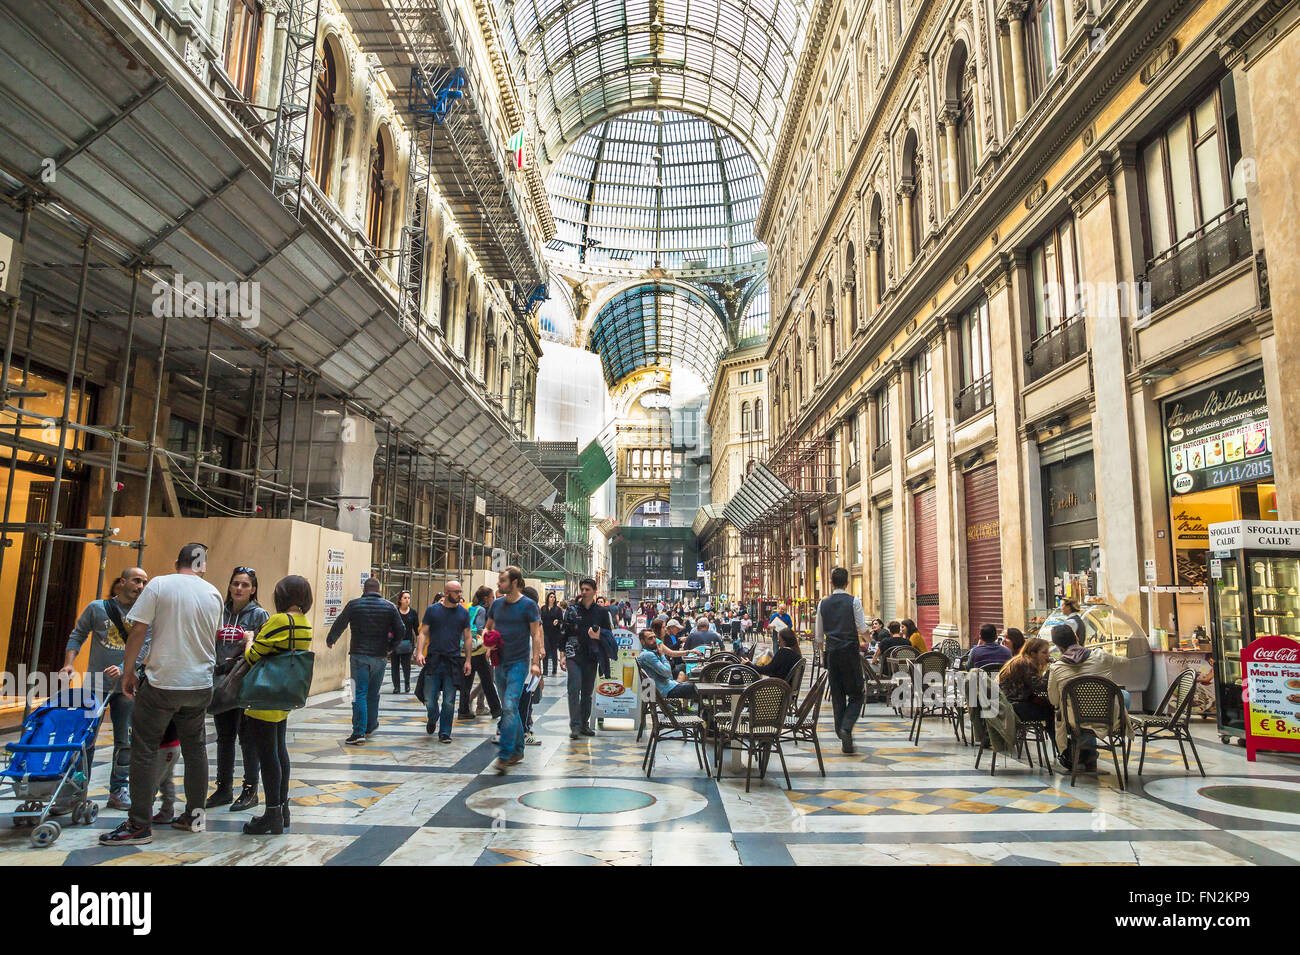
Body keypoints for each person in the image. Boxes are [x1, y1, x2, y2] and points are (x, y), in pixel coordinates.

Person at [100, 543, 223, 846]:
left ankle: (139, 825)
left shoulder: (159, 585)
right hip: (199, 686)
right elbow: (213, 637)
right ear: (202, 565)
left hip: (163, 684)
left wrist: (128, 673)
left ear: (176, 561)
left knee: (143, 749)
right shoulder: (213, 593)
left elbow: (139, 632)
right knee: (195, 750)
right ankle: (194, 817)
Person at [61, 566, 150, 813]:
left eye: (144, 582)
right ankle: (77, 791)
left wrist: (124, 667)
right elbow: (77, 635)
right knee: (85, 738)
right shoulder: (97, 608)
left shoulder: (146, 615)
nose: (141, 586)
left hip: (127, 687)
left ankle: (118, 789)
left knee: (125, 739)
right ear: (122, 582)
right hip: (95, 686)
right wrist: (69, 663)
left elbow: (145, 647)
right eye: (136, 581)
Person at [241, 574, 314, 836]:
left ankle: (271, 814)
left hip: (265, 695)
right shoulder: (304, 622)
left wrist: (249, 639)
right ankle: (282, 811)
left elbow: (253, 656)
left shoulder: (279, 620)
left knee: (267, 755)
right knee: (280, 751)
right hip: (283, 695)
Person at [208, 566, 269, 812]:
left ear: (253, 590)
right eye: (235, 584)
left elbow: (262, 652)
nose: (239, 588)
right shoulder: (219, 612)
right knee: (224, 737)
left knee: (247, 738)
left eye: (244, 585)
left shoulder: (259, 615)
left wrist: (249, 641)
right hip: (220, 682)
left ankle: (250, 789)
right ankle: (223, 788)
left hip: (245, 683)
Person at [326, 576, 408, 745]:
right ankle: (371, 724)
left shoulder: (354, 605)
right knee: (373, 693)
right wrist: (391, 647)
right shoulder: (389, 607)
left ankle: (358, 732)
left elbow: (340, 623)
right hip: (380, 655)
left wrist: (331, 639)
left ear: (364, 590)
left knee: (359, 693)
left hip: (359, 655)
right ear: (379, 591)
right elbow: (401, 629)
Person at [1046, 623, 1129, 767]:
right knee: (1124, 695)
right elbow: (1126, 663)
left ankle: (1087, 750)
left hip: (1076, 721)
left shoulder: (1056, 668)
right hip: (1108, 717)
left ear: (1058, 647)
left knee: (1078, 710)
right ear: (1077, 637)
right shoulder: (1101, 656)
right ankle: (1092, 746)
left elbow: (1053, 700)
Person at [486, 566, 543, 774]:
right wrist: (488, 640)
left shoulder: (528, 606)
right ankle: (519, 749)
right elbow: (488, 626)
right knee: (509, 708)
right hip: (499, 662)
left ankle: (505, 754)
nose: (498, 584)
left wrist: (535, 662)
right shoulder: (497, 605)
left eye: (502, 581)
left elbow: (536, 635)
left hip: (519, 663)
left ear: (515, 582)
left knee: (510, 705)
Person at [816, 567, 869, 754]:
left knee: (837, 695)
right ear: (847, 583)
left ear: (831, 583)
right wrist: (869, 642)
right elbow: (862, 627)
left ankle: (840, 730)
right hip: (849, 652)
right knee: (856, 694)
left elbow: (819, 636)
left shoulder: (823, 603)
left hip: (832, 653)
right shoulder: (853, 601)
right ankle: (846, 727)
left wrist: (824, 656)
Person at [415, 580, 473, 742]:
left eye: (461, 592)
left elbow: (467, 637)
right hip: (434, 660)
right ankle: (433, 717)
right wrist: (419, 652)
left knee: (449, 700)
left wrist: (468, 660)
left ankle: (445, 732)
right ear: (447, 593)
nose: (460, 595)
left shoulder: (463, 613)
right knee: (429, 698)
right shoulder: (433, 611)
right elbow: (423, 633)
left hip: (453, 661)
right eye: (457, 592)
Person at [561, 576, 614, 739]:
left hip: (591, 655)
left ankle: (584, 723)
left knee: (587, 692)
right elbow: (564, 632)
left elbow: (609, 634)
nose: (583, 592)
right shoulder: (572, 610)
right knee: (573, 688)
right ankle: (575, 726)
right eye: (582, 589)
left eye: (587, 590)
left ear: (594, 592)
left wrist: (599, 636)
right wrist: (562, 655)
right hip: (573, 654)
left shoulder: (602, 612)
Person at [459, 586, 502, 720]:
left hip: (466, 651)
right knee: (488, 680)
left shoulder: (470, 607)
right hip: (478, 651)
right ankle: (496, 709)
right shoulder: (482, 610)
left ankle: (463, 710)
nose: (493, 599)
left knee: (467, 682)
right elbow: (478, 629)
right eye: (492, 597)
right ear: (486, 598)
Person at [998, 637, 1054, 734]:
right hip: (1012, 707)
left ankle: (1062, 745)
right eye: (1044, 652)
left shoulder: (1021, 660)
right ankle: (1063, 746)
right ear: (1033, 654)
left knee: (1050, 707)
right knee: (1052, 712)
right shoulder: (1026, 663)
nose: (1048, 655)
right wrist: (1051, 669)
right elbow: (1040, 687)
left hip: (1007, 704)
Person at [637, 629, 697, 700]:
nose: (654, 640)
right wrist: (662, 655)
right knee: (697, 688)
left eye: (654, 637)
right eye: (650, 638)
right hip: (664, 691)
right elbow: (667, 672)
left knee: (696, 685)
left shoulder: (649, 652)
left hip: (666, 686)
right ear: (642, 642)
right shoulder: (647, 655)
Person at [146, 720, 180, 825]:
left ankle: (143, 813)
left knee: (151, 781)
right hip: (173, 745)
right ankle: (167, 810)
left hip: (163, 747)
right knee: (166, 779)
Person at [391, 590, 418, 694]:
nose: (407, 600)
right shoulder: (395, 612)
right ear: (400, 600)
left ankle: (407, 684)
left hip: (407, 643)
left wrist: (416, 645)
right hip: (395, 642)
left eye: (409, 598)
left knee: (406, 666)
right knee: (395, 665)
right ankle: (396, 686)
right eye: (405, 598)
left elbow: (417, 630)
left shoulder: (413, 613)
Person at [540, 591, 564, 676]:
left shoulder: (557, 610)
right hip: (545, 632)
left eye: (554, 597)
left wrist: (557, 621)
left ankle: (554, 668)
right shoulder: (543, 608)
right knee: (545, 651)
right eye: (551, 597)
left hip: (555, 633)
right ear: (548, 598)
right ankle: (545, 670)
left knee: (554, 651)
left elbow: (562, 621)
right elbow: (540, 620)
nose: (552, 598)